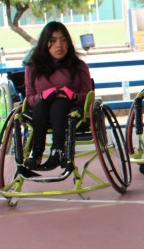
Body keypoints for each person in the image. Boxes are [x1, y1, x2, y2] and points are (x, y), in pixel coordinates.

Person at [23, 22, 92, 172]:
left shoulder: (79, 66)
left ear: (68, 42)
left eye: (63, 40)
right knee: (40, 105)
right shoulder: (32, 67)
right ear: (45, 43)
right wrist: (43, 95)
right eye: (53, 41)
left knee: (59, 104)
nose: (59, 45)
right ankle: (36, 152)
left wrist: (72, 95)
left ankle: (58, 151)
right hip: (41, 110)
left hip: (70, 108)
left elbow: (88, 96)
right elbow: (29, 99)